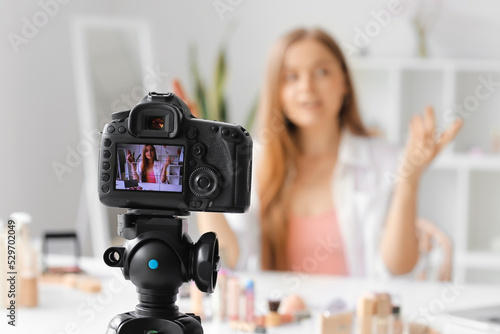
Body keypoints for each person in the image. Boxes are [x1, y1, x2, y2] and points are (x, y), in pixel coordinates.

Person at [173, 27, 463, 278]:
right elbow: (229, 259)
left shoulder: (385, 160)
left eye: (322, 72)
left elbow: (399, 269)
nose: (307, 87)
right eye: (291, 76)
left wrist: (409, 180)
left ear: (344, 83)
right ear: (277, 91)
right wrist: (203, 163)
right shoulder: (253, 162)